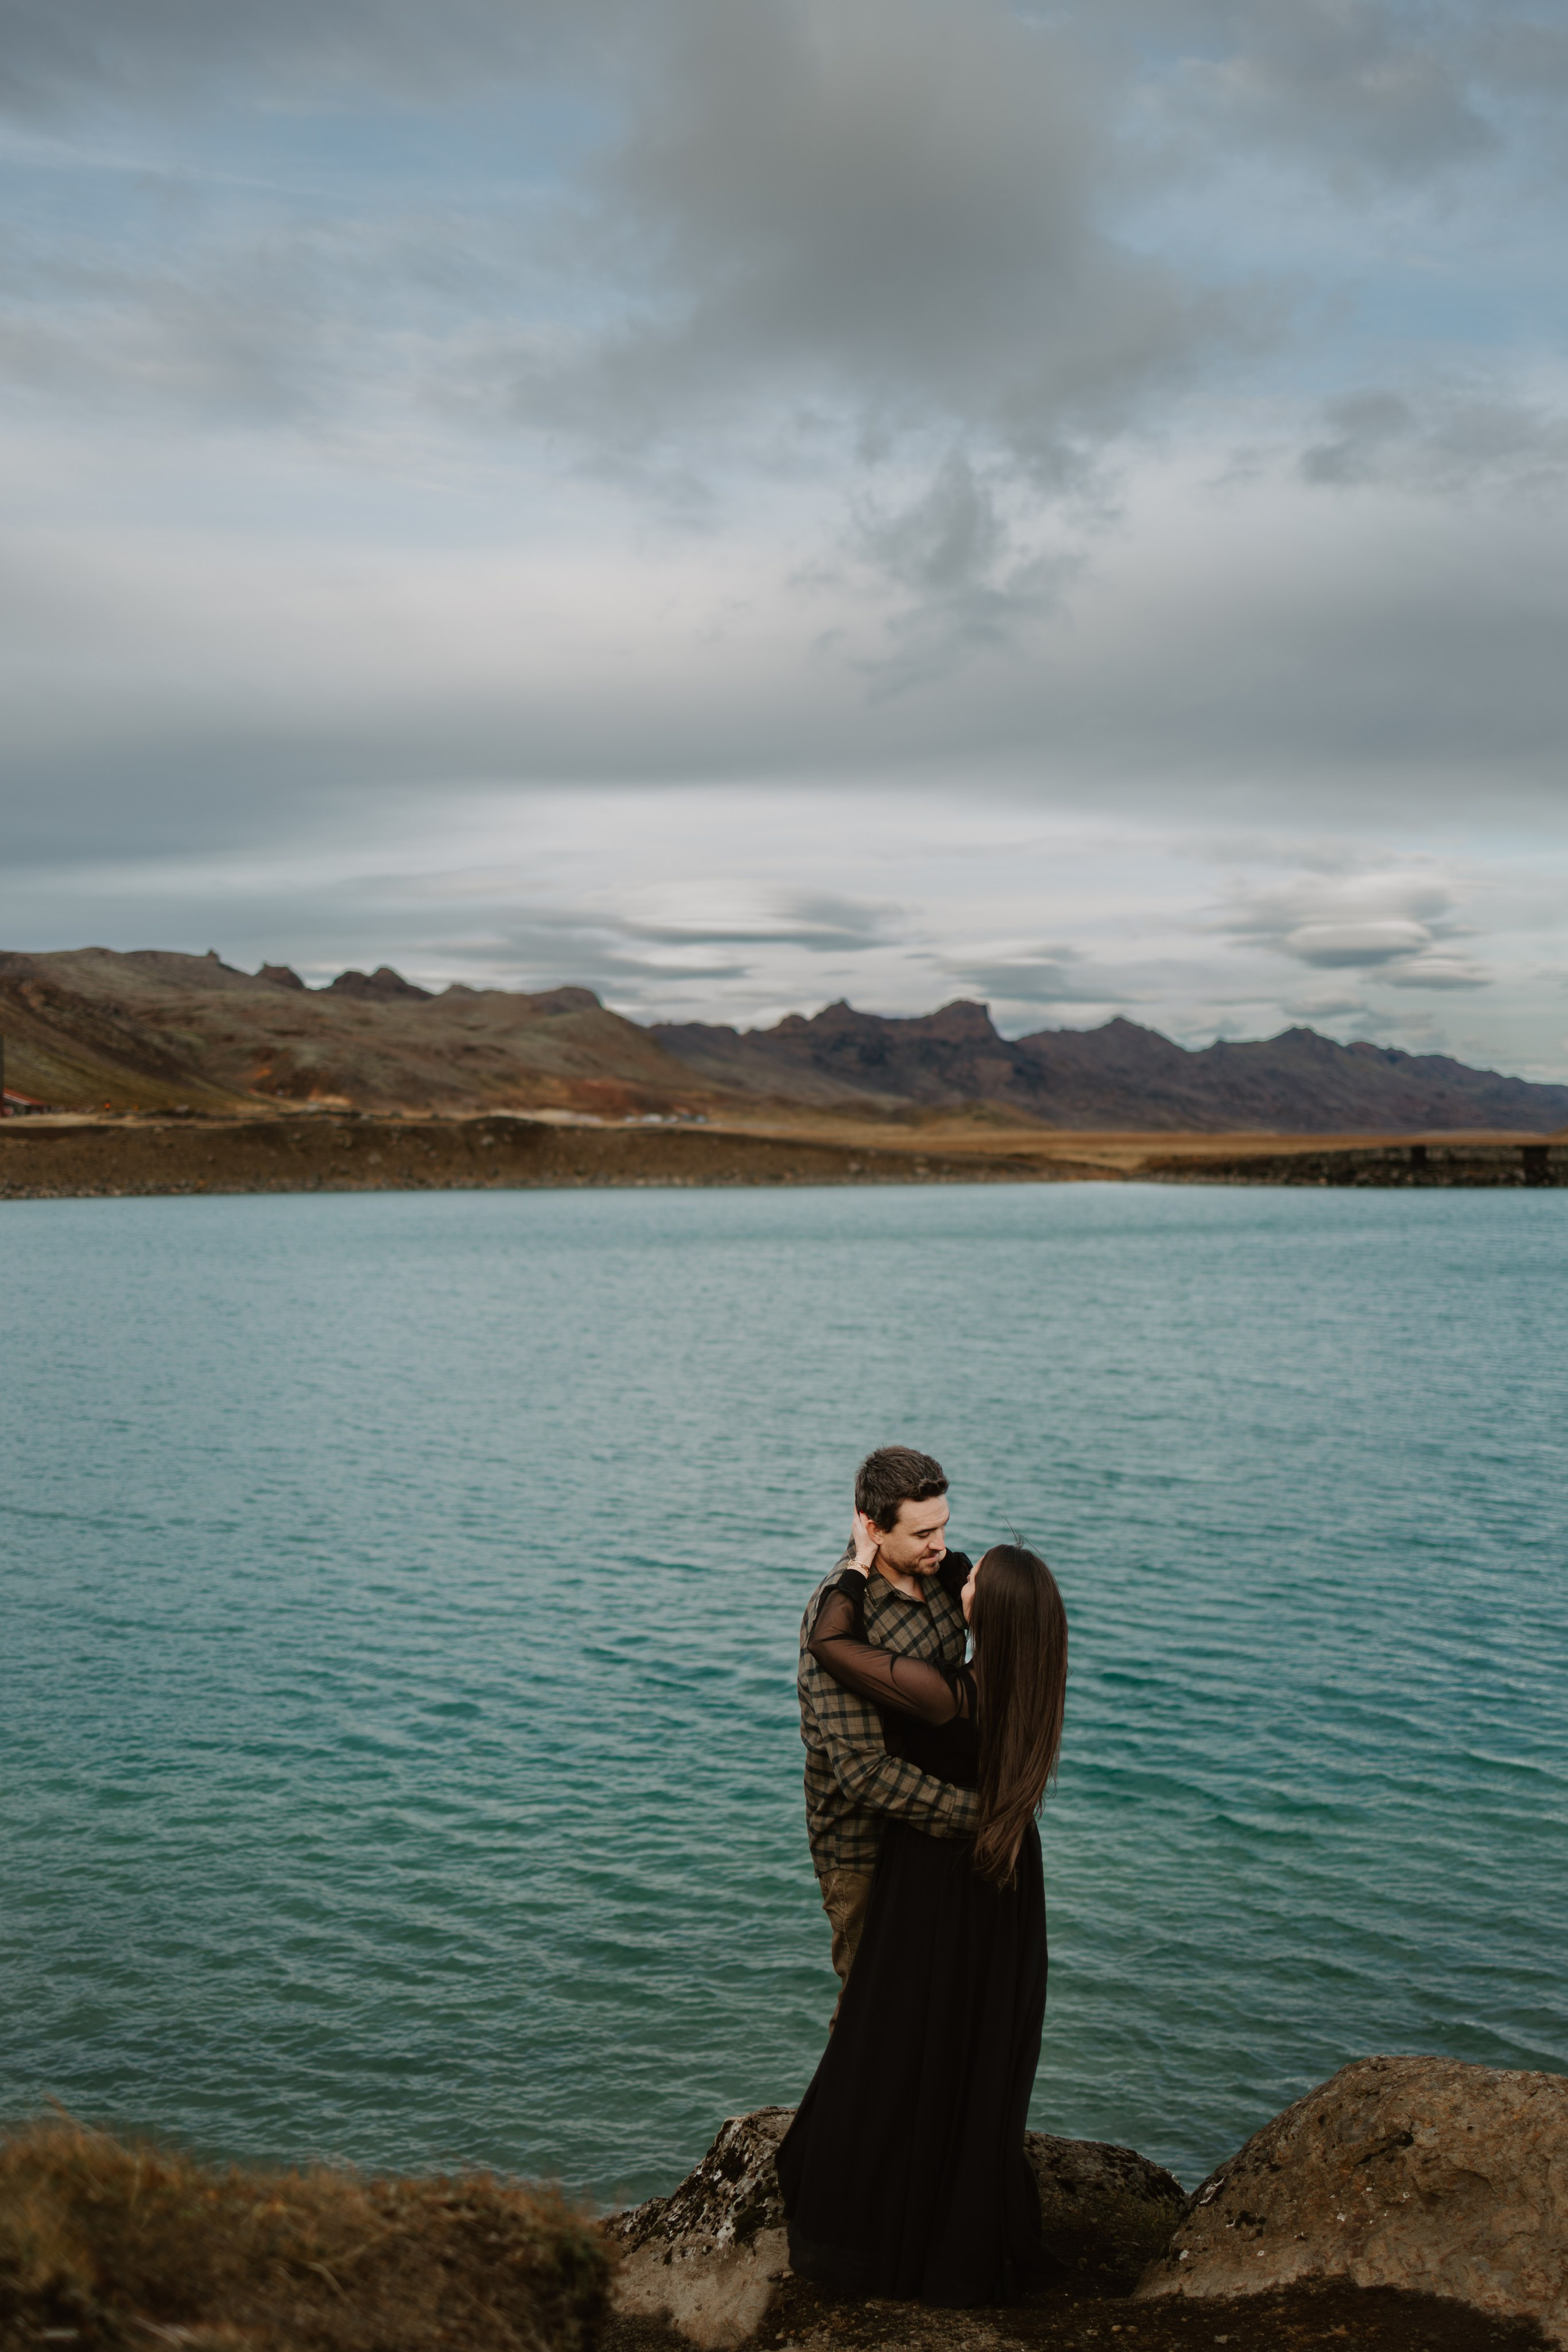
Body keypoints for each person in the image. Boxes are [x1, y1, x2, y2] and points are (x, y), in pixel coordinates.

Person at [777, 1517, 1069, 2309]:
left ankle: (874, 2232)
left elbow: (834, 1645)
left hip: (940, 1880)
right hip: (1003, 1883)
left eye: (973, 1584)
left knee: (898, 2042)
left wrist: (857, 1563)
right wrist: (950, 1560)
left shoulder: (949, 1696)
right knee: (965, 2052)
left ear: (992, 1616)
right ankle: (953, 2217)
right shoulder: (1031, 1681)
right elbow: (982, 1581)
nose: (958, 1574)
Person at [796, 1448, 979, 2015]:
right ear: (872, 1529)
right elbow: (864, 1773)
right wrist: (982, 1816)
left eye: (944, 1526)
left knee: (942, 1996)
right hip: (864, 1846)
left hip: (936, 1833)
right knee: (874, 2012)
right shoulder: (842, 1618)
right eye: (923, 1532)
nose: (940, 1544)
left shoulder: (946, 1577)